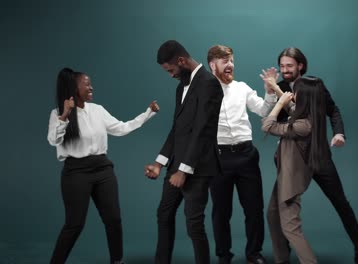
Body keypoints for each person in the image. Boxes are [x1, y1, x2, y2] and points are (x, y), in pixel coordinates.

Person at [262, 47, 358, 264]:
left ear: (300, 66)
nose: (285, 70)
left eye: (289, 66)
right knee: (280, 209)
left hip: (318, 157)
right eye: (282, 66)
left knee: (340, 202)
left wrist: (339, 133)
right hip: (293, 158)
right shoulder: (281, 87)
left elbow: (333, 111)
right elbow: (271, 118)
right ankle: (284, 251)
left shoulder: (314, 87)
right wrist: (271, 90)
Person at [47, 67, 159, 264]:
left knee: (114, 220)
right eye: (87, 84)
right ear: (74, 88)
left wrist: (148, 113)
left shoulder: (97, 110)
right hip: (76, 173)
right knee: (74, 224)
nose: (91, 87)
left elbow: (122, 128)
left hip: (103, 170)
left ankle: (117, 261)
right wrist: (64, 115)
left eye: (91, 83)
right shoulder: (58, 113)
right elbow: (53, 140)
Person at [144, 40, 223, 264]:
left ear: (181, 61)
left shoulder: (209, 83)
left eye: (171, 70)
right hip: (176, 165)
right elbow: (177, 129)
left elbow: (202, 130)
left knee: (194, 225)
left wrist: (184, 170)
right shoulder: (181, 86)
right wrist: (159, 163)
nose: (170, 75)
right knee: (164, 214)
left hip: (197, 168)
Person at [207, 45, 276, 264]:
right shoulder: (202, 90)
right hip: (218, 158)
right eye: (225, 61)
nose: (230, 65)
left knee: (254, 208)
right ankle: (223, 255)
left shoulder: (242, 88)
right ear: (212, 65)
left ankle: (254, 253)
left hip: (246, 155)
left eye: (232, 61)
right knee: (221, 212)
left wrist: (269, 90)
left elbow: (264, 111)